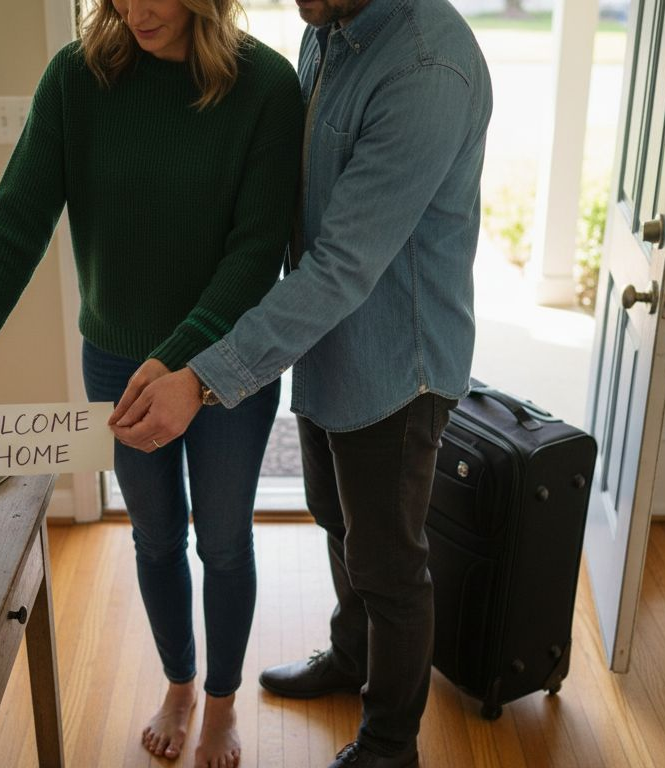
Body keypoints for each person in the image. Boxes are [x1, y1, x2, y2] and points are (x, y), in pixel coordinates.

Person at [0, 0, 303, 763]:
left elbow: (258, 253)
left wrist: (181, 356)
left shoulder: (267, 87)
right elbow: (18, 214)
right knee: (153, 538)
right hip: (118, 364)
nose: (138, 8)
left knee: (223, 542)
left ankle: (221, 703)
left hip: (225, 367)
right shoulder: (76, 80)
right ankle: (180, 683)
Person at [107, 0, 492, 763]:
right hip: (323, 350)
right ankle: (351, 657)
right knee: (336, 519)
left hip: (397, 369)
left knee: (390, 567)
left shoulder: (426, 68)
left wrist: (205, 377)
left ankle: (389, 744)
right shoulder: (328, 30)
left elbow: (342, 264)